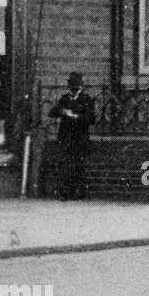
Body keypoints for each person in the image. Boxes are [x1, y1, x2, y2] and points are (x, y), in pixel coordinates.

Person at [48, 71, 95, 200]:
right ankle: (65, 192)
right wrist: (61, 111)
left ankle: (79, 192)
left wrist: (75, 116)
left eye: (75, 86)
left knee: (79, 165)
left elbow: (91, 119)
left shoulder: (86, 100)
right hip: (65, 136)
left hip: (79, 137)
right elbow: (52, 113)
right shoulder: (65, 99)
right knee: (65, 165)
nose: (73, 89)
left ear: (80, 87)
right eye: (71, 86)